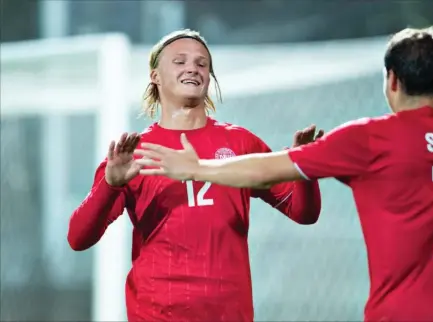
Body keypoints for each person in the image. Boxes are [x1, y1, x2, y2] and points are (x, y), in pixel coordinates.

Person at [135, 27, 433, 322]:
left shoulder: (368, 138)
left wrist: (197, 168)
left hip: (398, 313)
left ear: (391, 80)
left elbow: (266, 170)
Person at [67, 29, 322, 322]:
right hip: (155, 314)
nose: (193, 68)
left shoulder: (241, 144)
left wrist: (305, 168)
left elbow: (303, 213)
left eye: (202, 64)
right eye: (180, 61)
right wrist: (109, 186)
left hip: (229, 314)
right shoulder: (134, 154)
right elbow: (77, 238)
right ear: (155, 76)